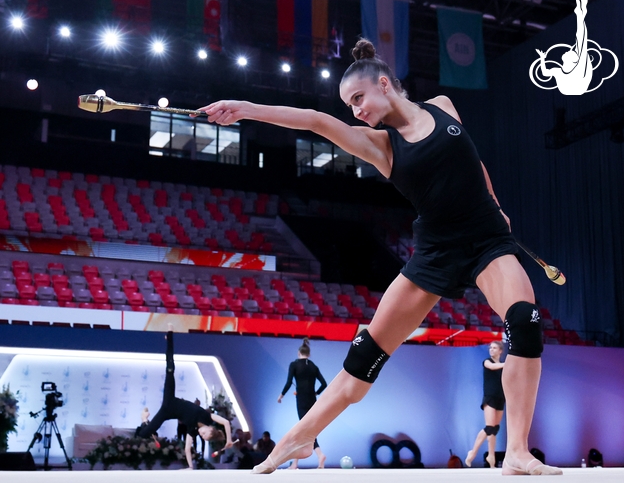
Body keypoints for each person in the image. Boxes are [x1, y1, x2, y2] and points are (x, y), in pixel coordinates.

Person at [201, 38, 561, 476]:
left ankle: (518, 452)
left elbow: (473, 160)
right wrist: (245, 108)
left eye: (358, 98)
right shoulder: (382, 146)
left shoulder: (444, 106)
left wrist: (494, 200)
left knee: (525, 324)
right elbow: (315, 121)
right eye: (348, 105)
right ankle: (298, 439)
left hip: (487, 241)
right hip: (435, 252)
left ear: (385, 85)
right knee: (365, 356)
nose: (355, 111)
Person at [135, 327, 233, 468]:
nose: (201, 434)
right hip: (171, 400)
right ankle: (169, 336)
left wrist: (191, 468)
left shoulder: (192, 430)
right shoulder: (206, 417)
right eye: (205, 433)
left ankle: (144, 419)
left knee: (144, 434)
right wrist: (228, 439)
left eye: (203, 436)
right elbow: (226, 423)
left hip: (167, 412)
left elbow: (187, 449)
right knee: (170, 368)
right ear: (210, 428)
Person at [278, 338, 327, 469]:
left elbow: (289, 383)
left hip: (301, 400)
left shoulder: (294, 364)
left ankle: (316, 455)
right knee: (306, 430)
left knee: (302, 430)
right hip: (312, 400)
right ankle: (301, 461)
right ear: (308, 354)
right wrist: (316, 393)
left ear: (298, 353)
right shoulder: (313, 366)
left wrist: (281, 395)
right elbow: (324, 384)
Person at [466, 341, 505, 468]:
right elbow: (493, 367)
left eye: (494, 348)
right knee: (489, 427)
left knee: (494, 429)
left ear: (500, 351)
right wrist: (508, 364)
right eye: (490, 348)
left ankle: (491, 456)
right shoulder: (487, 361)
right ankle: (473, 452)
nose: (491, 350)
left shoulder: (503, 367)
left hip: (500, 397)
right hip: (490, 397)